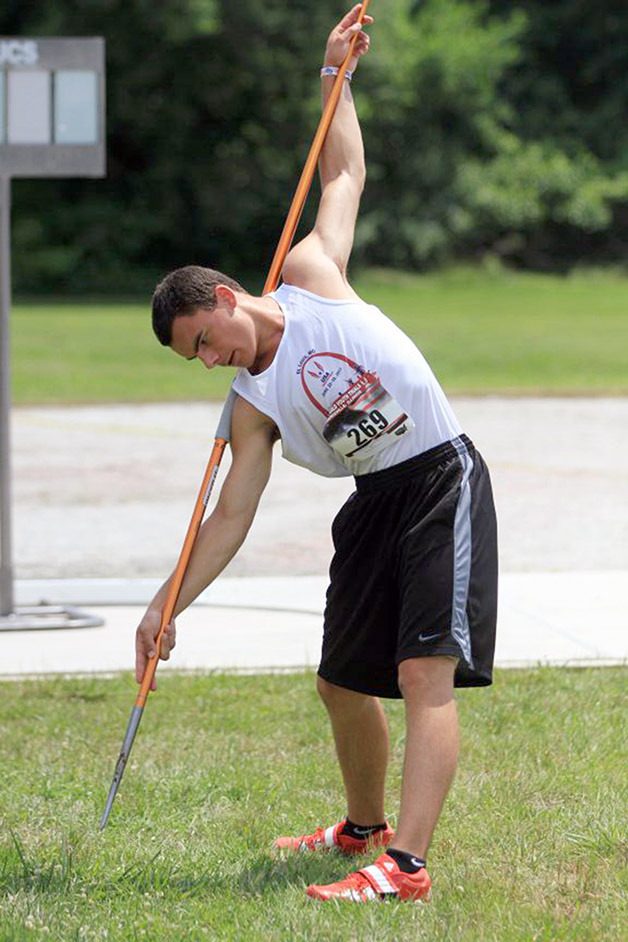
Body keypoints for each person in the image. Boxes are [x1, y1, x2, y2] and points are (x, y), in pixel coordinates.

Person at [135, 4, 497, 904]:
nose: (211, 359)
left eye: (203, 339)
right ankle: (363, 827)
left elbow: (344, 170)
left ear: (222, 296)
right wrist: (163, 605)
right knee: (342, 680)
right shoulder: (250, 406)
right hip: (373, 499)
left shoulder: (308, 276)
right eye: (196, 359)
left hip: (438, 476)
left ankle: (403, 868)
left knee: (423, 672)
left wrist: (333, 76)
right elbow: (232, 515)